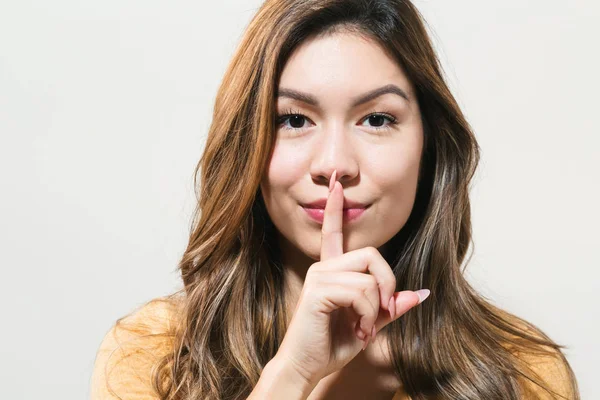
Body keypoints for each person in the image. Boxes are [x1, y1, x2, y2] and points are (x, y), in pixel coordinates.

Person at [90, 0, 580, 399]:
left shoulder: (521, 372)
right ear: (247, 142)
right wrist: (292, 375)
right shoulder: (155, 357)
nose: (335, 164)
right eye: (294, 119)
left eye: (377, 119)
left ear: (430, 146)